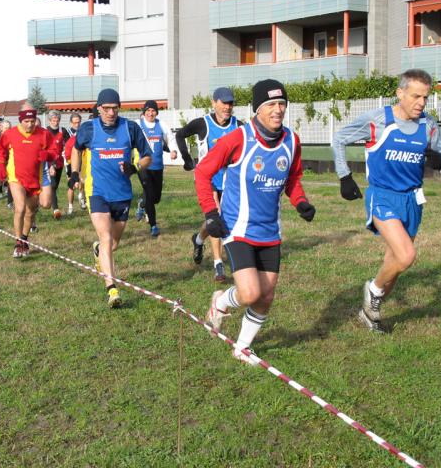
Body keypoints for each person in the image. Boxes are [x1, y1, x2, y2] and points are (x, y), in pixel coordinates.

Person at [197, 79, 315, 365]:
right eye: (271, 105)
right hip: (238, 229)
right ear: (257, 109)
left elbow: (293, 178)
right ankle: (220, 302)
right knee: (250, 293)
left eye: (282, 104)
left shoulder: (292, 140)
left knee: (267, 295)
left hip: (270, 231)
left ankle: (242, 347)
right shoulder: (238, 138)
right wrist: (211, 213)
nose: (278, 110)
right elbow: (203, 172)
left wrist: (300, 202)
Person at [332, 68, 441, 333]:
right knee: (407, 256)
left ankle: (370, 313)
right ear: (400, 93)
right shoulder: (379, 120)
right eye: (416, 96)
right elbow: (340, 138)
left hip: (412, 200)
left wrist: (439, 160)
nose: (421, 103)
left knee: (395, 263)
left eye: (425, 98)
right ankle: (372, 290)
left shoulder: (428, 125)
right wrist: (344, 176)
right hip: (382, 196)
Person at [69, 88, 153, 307]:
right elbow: (76, 150)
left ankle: (98, 251)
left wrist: (134, 167)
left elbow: (148, 157)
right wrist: (75, 173)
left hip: (122, 194)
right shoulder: (88, 129)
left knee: (112, 243)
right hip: (97, 192)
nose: (111, 113)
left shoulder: (130, 128)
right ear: (99, 109)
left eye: (114, 108)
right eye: (106, 109)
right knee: (106, 238)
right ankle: (112, 289)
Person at [176, 87, 242, 281]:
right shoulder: (202, 124)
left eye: (230, 103)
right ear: (214, 103)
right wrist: (188, 159)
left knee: (221, 220)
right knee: (217, 218)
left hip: (229, 182)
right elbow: (180, 135)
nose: (227, 107)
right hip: (209, 180)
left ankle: (198, 239)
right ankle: (218, 266)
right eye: (223, 103)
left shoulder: (239, 126)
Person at [0, 109, 57, 257]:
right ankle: (18, 243)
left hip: (36, 177)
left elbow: (54, 150)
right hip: (16, 177)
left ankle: (24, 238)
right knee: (20, 208)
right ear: (20, 121)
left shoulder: (44, 134)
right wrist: (1, 167)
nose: (30, 124)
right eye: (26, 122)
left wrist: (48, 155)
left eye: (32, 121)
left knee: (40, 207)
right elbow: (0, 152)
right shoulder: (9, 134)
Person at [135, 100, 178, 237]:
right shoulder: (138, 125)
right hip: (143, 166)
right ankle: (153, 226)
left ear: (156, 112)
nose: (150, 113)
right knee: (148, 193)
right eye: (148, 110)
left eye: (153, 110)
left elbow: (170, 139)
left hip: (158, 167)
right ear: (144, 112)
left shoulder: (162, 125)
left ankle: (142, 204)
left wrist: (173, 151)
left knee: (156, 198)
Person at [44, 110, 70, 219]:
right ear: (49, 121)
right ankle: (56, 210)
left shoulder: (63, 131)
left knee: (55, 187)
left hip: (59, 162)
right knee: (53, 185)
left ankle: (48, 198)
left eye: (57, 120)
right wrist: (49, 165)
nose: (56, 122)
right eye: (53, 120)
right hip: (49, 162)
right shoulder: (45, 132)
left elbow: (69, 144)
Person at [65, 113, 85, 213]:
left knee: (82, 181)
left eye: (78, 122)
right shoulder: (66, 133)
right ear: (71, 123)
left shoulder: (83, 131)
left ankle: (82, 197)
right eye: (75, 122)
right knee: (71, 185)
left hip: (82, 159)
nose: (77, 124)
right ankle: (70, 206)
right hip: (69, 160)